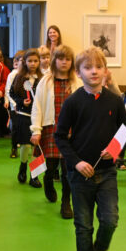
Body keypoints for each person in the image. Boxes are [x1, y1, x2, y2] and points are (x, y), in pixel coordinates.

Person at [54, 46, 126, 251]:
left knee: (110, 219)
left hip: (107, 172)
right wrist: (76, 162)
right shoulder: (73, 102)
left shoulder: (115, 101)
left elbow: (125, 132)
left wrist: (116, 150)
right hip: (80, 174)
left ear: (105, 71)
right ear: (79, 72)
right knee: (83, 225)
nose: (94, 71)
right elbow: (61, 137)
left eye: (98, 67)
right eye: (88, 67)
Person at [30, 45, 81, 218]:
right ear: (54, 60)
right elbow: (37, 107)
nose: (64, 62)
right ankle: (48, 180)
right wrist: (36, 130)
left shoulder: (77, 82)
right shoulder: (45, 81)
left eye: (68, 59)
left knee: (69, 170)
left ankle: (66, 203)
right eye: (61, 59)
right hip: (50, 128)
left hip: (71, 131)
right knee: (50, 167)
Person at [10, 48, 42, 188]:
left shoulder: (43, 79)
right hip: (24, 115)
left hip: (39, 117)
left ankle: (34, 176)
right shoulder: (19, 77)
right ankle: (23, 167)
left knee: (38, 148)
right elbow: (12, 93)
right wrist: (21, 102)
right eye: (30, 61)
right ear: (25, 62)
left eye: (35, 61)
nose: (33, 63)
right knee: (26, 145)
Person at [5, 50, 25, 158]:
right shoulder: (12, 75)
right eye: (20, 61)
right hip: (15, 107)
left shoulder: (29, 75)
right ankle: (14, 148)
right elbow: (8, 91)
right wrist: (14, 104)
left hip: (27, 107)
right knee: (16, 128)